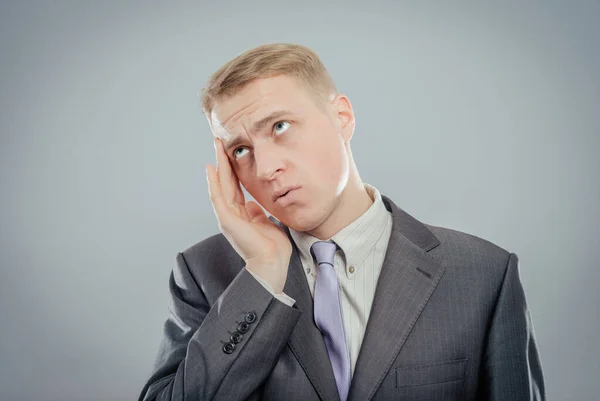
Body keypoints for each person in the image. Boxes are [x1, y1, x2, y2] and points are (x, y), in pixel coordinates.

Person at [137, 43, 545, 401]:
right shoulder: (204, 273)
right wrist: (262, 274)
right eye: (241, 150)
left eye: (280, 126)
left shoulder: (482, 273)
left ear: (342, 117)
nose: (265, 168)